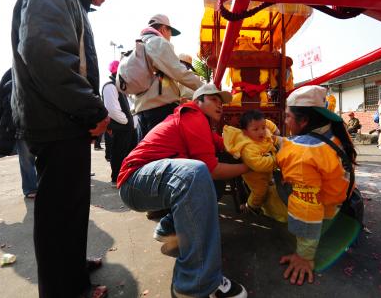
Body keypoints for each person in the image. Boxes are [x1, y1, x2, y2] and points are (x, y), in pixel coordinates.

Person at [10, 0, 129, 297]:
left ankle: (72, 265)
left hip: (64, 120)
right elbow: (45, 55)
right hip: (56, 121)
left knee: (72, 206)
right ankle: (64, 289)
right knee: (59, 211)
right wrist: (93, 110)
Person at [118, 83, 249, 298]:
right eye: (214, 99)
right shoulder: (193, 115)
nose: (220, 105)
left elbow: (227, 145)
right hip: (134, 181)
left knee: (206, 178)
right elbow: (212, 168)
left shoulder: (203, 125)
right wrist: (248, 167)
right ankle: (196, 283)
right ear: (198, 101)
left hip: (147, 182)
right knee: (197, 172)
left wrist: (256, 144)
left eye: (222, 101)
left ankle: (168, 228)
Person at [274, 85, 357, 285]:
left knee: (279, 184)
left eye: (287, 117)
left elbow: (306, 209)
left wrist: (304, 256)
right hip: (345, 198)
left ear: (304, 121)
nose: (284, 121)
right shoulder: (333, 130)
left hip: (324, 210)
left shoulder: (300, 154)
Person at [132, 14, 203, 145]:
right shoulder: (158, 43)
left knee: (147, 152)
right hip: (160, 110)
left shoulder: (138, 44)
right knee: (163, 152)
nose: (170, 37)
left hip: (142, 109)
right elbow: (180, 72)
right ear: (164, 29)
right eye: (170, 32)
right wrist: (204, 88)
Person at [0, 69, 38, 198]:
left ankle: (33, 188)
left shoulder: (13, 75)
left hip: (32, 125)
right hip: (28, 127)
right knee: (31, 159)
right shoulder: (13, 81)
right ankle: (33, 188)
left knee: (29, 159)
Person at [223, 110, 279, 213]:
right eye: (256, 129)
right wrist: (278, 159)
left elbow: (271, 129)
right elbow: (259, 164)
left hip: (268, 171)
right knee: (260, 191)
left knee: (271, 186)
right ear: (245, 132)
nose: (261, 131)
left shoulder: (262, 132)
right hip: (254, 175)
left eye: (263, 127)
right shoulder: (248, 147)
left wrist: (277, 136)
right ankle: (251, 206)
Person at [102, 60, 136, 184]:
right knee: (118, 153)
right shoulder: (110, 85)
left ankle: (122, 177)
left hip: (124, 127)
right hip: (120, 127)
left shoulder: (118, 85)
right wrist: (126, 121)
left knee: (124, 153)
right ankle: (116, 178)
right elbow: (112, 110)